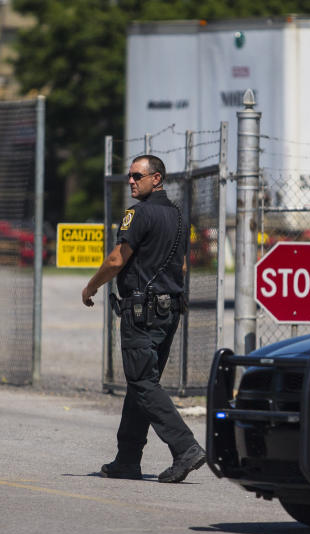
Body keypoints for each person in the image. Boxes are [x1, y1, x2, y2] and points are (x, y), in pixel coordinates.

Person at [81, 154, 205, 483]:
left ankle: (185, 447)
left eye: (137, 176)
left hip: (143, 313)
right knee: (142, 384)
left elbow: (117, 258)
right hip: (169, 311)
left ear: (157, 179)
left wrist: (91, 286)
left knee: (142, 383)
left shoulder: (138, 214)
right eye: (130, 177)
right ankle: (127, 459)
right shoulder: (179, 218)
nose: (132, 182)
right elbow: (180, 266)